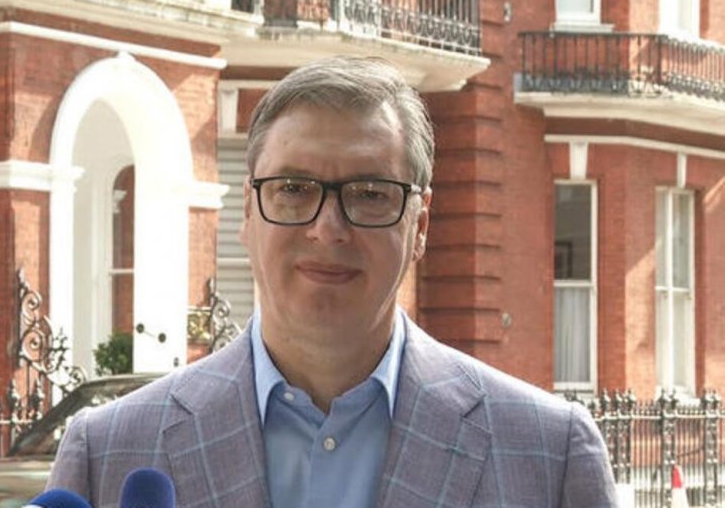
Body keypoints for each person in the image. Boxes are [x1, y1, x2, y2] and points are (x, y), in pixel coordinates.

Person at [46, 56, 618, 508]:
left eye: (369, 194)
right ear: (247, 212)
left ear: (419, 225)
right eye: (293, 190)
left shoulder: (549, 453)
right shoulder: (109, 450)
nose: (327, 229)